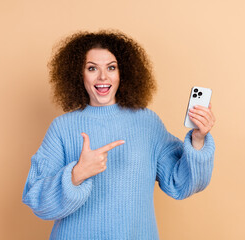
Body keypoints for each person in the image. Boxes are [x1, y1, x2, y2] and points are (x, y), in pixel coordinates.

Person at [22, 30, 216, 240]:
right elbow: (37, 200)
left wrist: (198, 139)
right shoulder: (62, 127)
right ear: (79, 74)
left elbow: (181, 183)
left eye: (111, 67)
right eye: (92, 68)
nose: (103, 77)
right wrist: (77, 174)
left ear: (123, 73)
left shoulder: (147, 122)